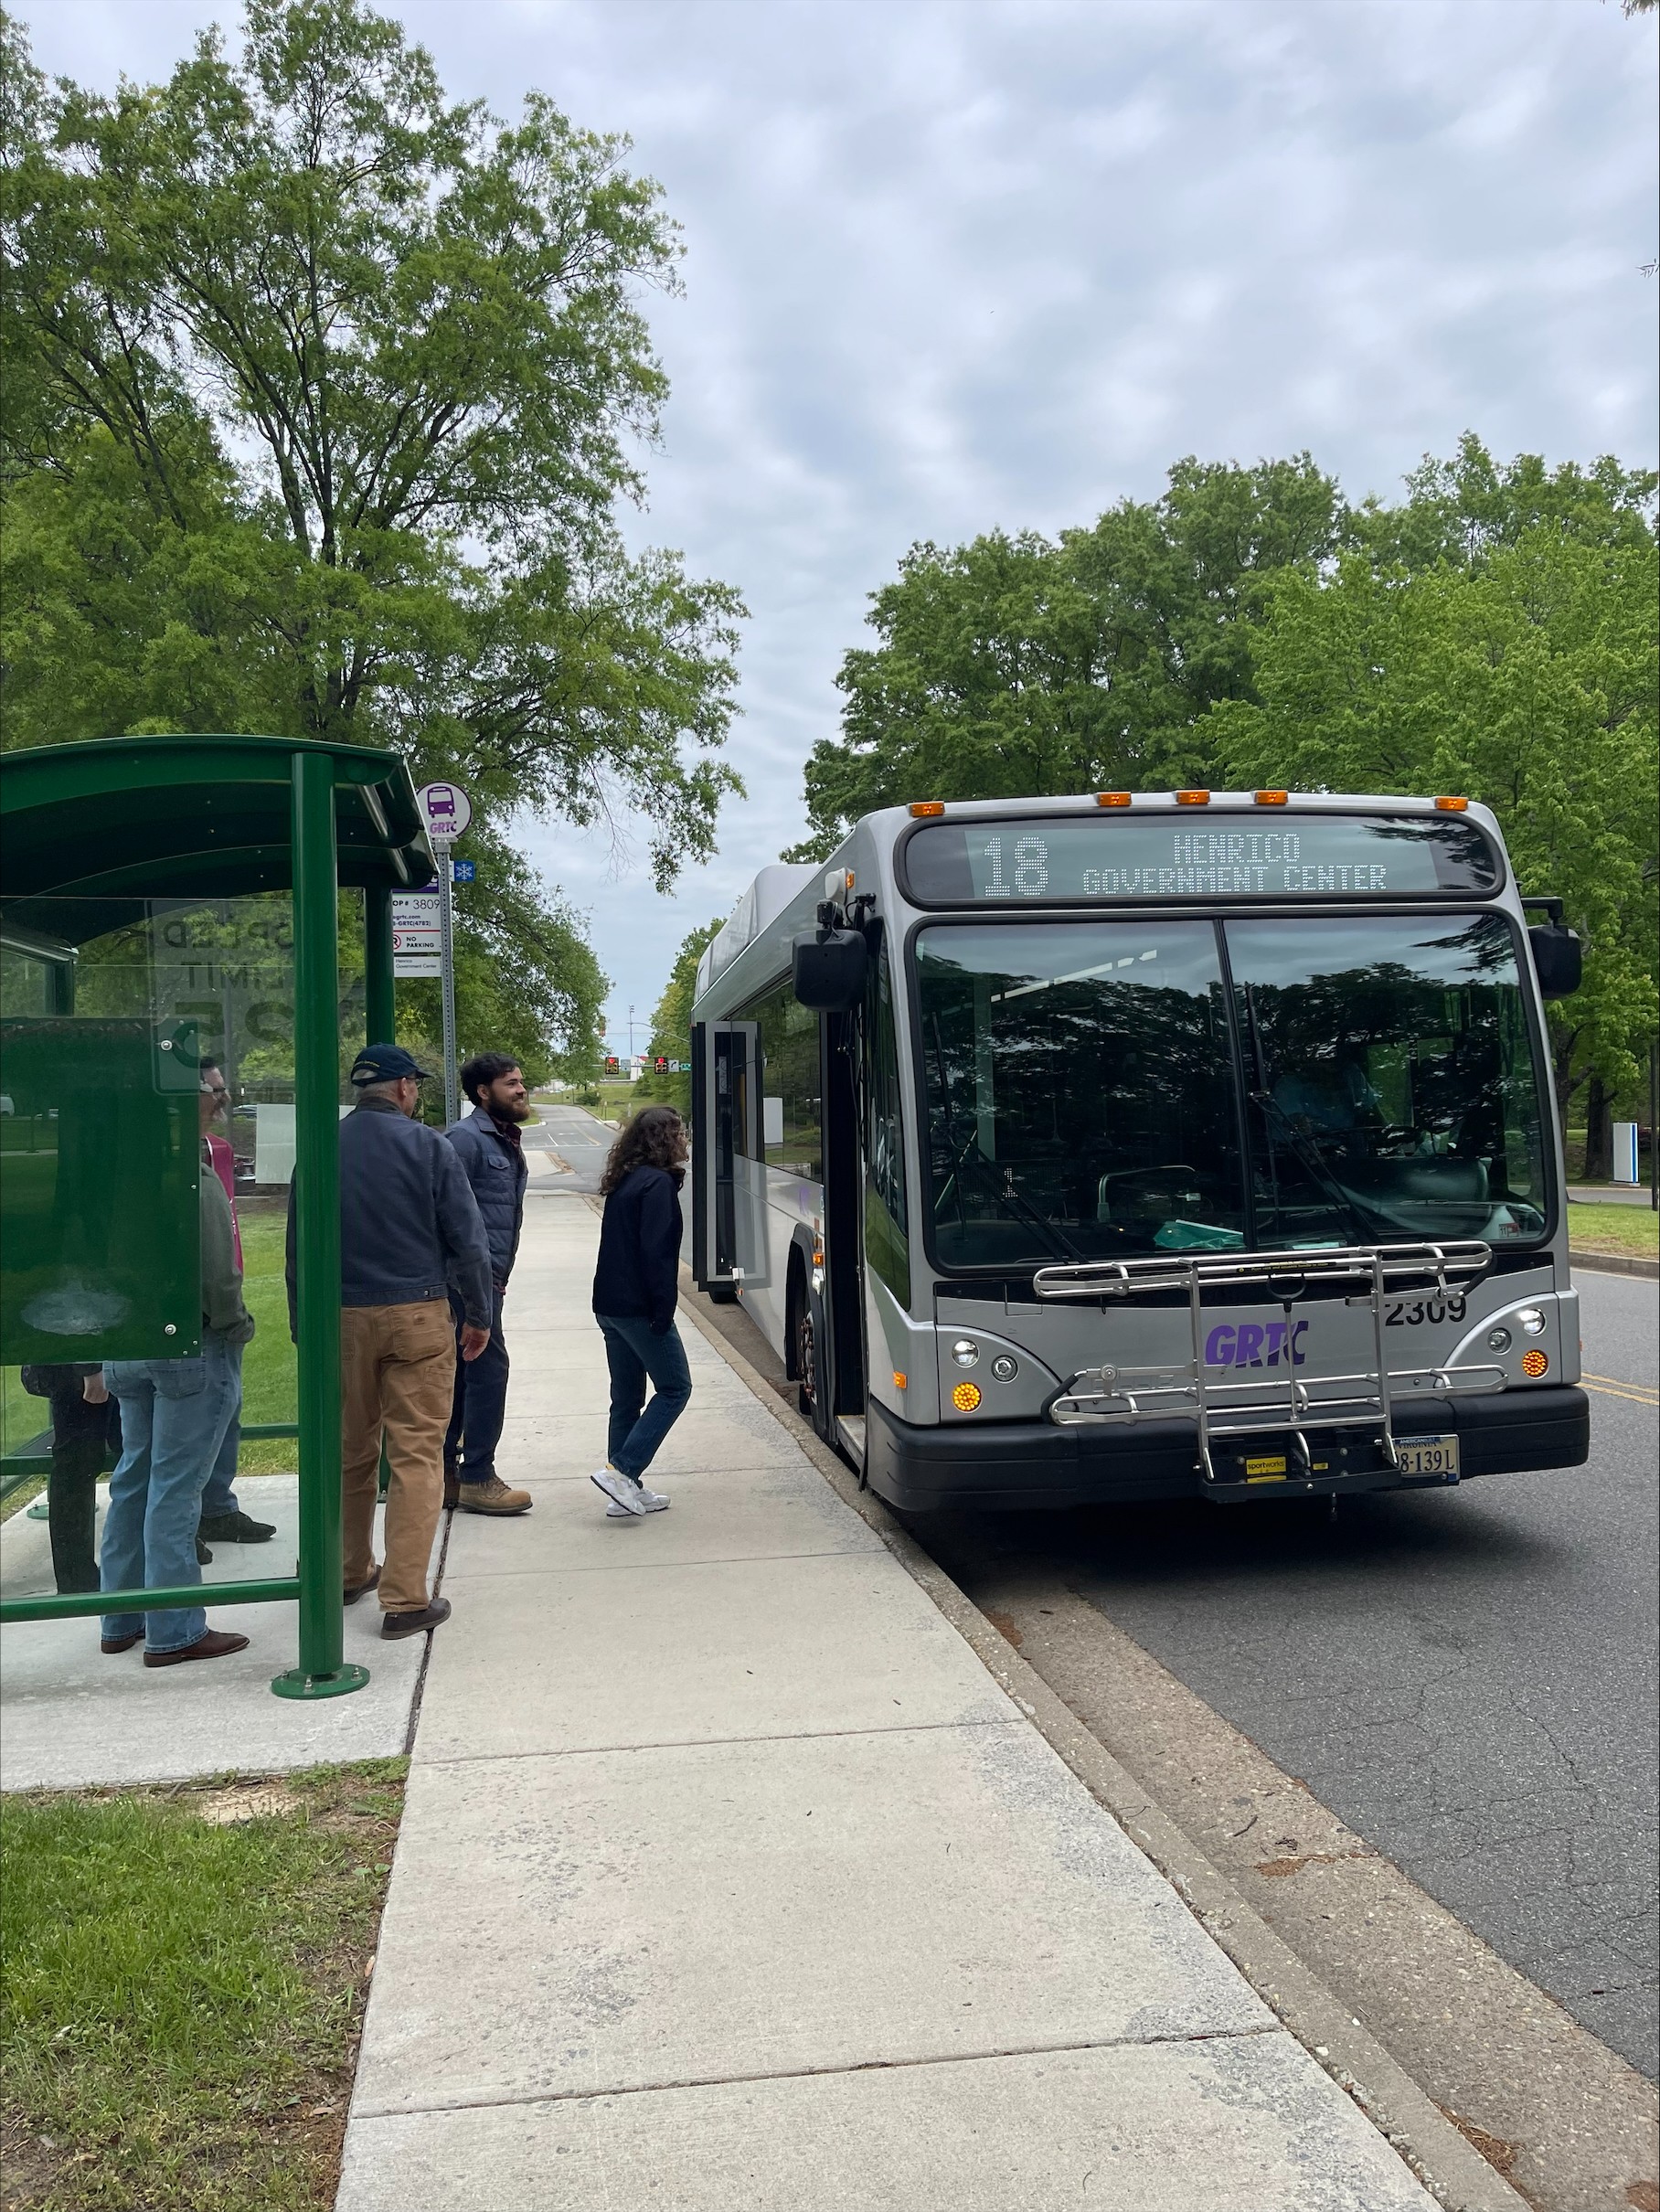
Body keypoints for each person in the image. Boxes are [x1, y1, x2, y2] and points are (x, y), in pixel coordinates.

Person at [287, 1044, 492, 1640]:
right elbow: (468, 1240)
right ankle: (404, 1599)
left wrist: (305, 1327)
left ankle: (350, 1570)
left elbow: (298, 1251)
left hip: (341, 1319)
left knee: (351, 1452)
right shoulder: (429, 1146)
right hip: (418, 1314)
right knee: (417, 1457)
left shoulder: (320, 1150)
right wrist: (478, 1314)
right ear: (404, 1088)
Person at [100, 1074, 257, 1666]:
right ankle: (175, 1630)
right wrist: (235, 1324)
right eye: (209, 1092)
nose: (219, 1101)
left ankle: (122, 1618)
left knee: (133, 1481)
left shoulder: (123, 1171)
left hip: (129, 1342)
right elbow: (218, 1273)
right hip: (191, 1345)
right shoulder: (192, 1175)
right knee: (175, 1490)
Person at [590, 1106, 693, 1517]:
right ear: (666, 1139)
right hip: (638, 1307)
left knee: (626, 1397)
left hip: (609, 1304)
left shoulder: (625, 1179)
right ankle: (623, 1471)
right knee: (674, 1388)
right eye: (680, 1133)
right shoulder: (657, 1185)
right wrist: (663, 1311)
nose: (685, 1140)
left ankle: (624, 1488)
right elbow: (657, 1254)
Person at [442, 1053, 533, 1516]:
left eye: (521, 1082)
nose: (521, 1089)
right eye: (510, 1083)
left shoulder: (501, 1138)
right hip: (464, 1283)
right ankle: (476, 1476)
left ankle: (448, 1475)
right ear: (483, 1092)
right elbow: (444, 1215)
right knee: (488, 1373)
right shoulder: (465, 1139)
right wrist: (472, 1285)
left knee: (464, 1376)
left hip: (486, 1280)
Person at [195, 1058, 275, 1548]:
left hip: (218, 1304)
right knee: (186, 1440)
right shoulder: (183, 1157)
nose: (223, 1097)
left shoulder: (215, 1151)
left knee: (226, 1413)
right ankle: (183, 1530)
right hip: (197, 1316)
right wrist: (228, 1312)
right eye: (215, 1088)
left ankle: (217, 1509)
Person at [18, 1362, 122, 1593]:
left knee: (88, 1460)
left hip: (85, 1361)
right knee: (77, 1463)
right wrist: (91, 1368)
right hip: (75, 1364)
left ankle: (80, 1579)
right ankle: (77, 1581)